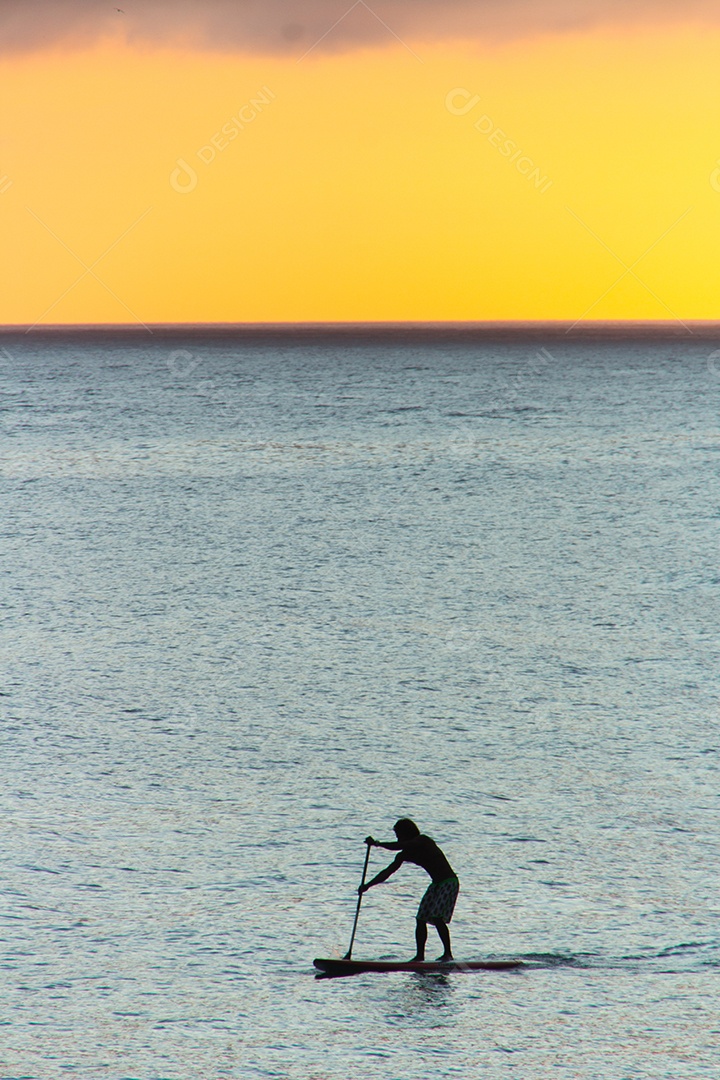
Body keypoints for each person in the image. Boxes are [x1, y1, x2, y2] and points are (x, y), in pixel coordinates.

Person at [359, 818, 459, 961]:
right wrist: (367, 885)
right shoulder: (404, 854)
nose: (398, 838)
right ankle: (419, 956)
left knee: (437, 917)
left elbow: (400, 845)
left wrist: (377, 844)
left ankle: (448, 954)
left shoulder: (422, 840)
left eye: (399, 834)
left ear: (407, 833)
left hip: (449, 882)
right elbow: (387, 872)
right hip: (436, 883)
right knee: (421, 918)